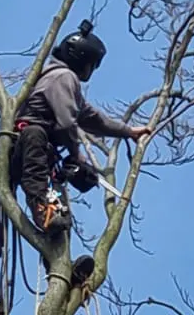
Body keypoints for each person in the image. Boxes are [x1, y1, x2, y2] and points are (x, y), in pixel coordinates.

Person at [11, 20, 150, 235]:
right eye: (91, 65)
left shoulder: (62, 80)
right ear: (80, 58)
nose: (90, 71)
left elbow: (92, 118)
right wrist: (77, 154)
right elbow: (67, 122)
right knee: (39, 174)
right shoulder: (63, 76)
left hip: (39, 150)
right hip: (29, 141)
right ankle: (45, 214)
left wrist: (127, 131)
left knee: (58, 188)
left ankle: (58, 255)